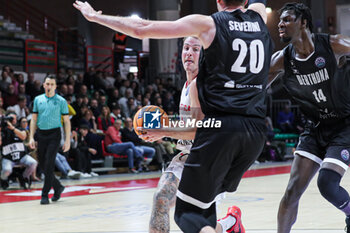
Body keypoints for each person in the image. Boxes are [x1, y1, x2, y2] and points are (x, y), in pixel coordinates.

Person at [74, 0, 273, 232]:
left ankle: (229, 223)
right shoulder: (258, 17)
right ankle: (231, 224)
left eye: (196, 48)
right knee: (196, 216)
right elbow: (259, 6)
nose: (189, 53)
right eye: (186, 48)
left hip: (213, 144)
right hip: (252, 132)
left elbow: (141, 29)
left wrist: (95, 17)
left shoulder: (208, 31)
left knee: (186, 214)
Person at [267, 3, 350, 232]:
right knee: (292, 191)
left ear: (303, 22)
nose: (281, 24)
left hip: (344, 125)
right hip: (314, 127)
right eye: (280, 20)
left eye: (287, 19)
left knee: (327, 184)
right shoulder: (282, 60)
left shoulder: (333, 45)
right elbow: (254, 89)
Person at [28, 76, 71, 205]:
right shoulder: (37, 99)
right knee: (42, 164)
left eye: (52, 84)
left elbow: (67, 121)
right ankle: (57, 187)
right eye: (47, 84)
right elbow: (34, 119)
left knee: (49, 163)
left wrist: (67, 140)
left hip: (54, 135)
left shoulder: (61, 101)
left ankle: (45, 194)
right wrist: (31, 136)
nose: (50, 86)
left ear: (55, 86)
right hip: (41, 134)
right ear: (44, 85)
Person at [0, 112, 37, 190]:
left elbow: (23, 136)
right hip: (8, 158)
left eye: (13, 118)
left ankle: (24, 177)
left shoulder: (20, 129)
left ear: (16, 120)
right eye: (10, 118)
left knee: (33, 163)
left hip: (22, 156)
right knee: (7, 170)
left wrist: (12, 128)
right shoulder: (3, 131)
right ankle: (3, 179)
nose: (11, 120)